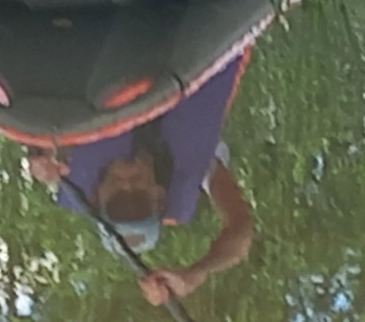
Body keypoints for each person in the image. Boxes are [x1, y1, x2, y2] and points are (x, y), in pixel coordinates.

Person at [26, 51, 256, 306]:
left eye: (118, 201)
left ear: (97, 196)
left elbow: (36, 124)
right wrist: (198, 272)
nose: (127, 186)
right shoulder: (198, 165)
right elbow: (241, 230)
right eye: (137, 200)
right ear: (159, 197)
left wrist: (38, 147)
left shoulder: (67, 160)